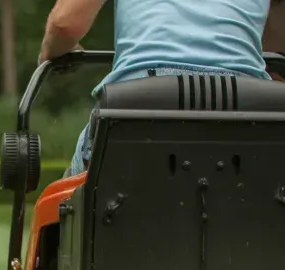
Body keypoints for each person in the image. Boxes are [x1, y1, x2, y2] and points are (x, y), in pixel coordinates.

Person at [38, 0, 285, 177]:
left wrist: (50, 52)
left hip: (138, 103)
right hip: (247, 103)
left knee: (66, 209)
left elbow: (64, 24)